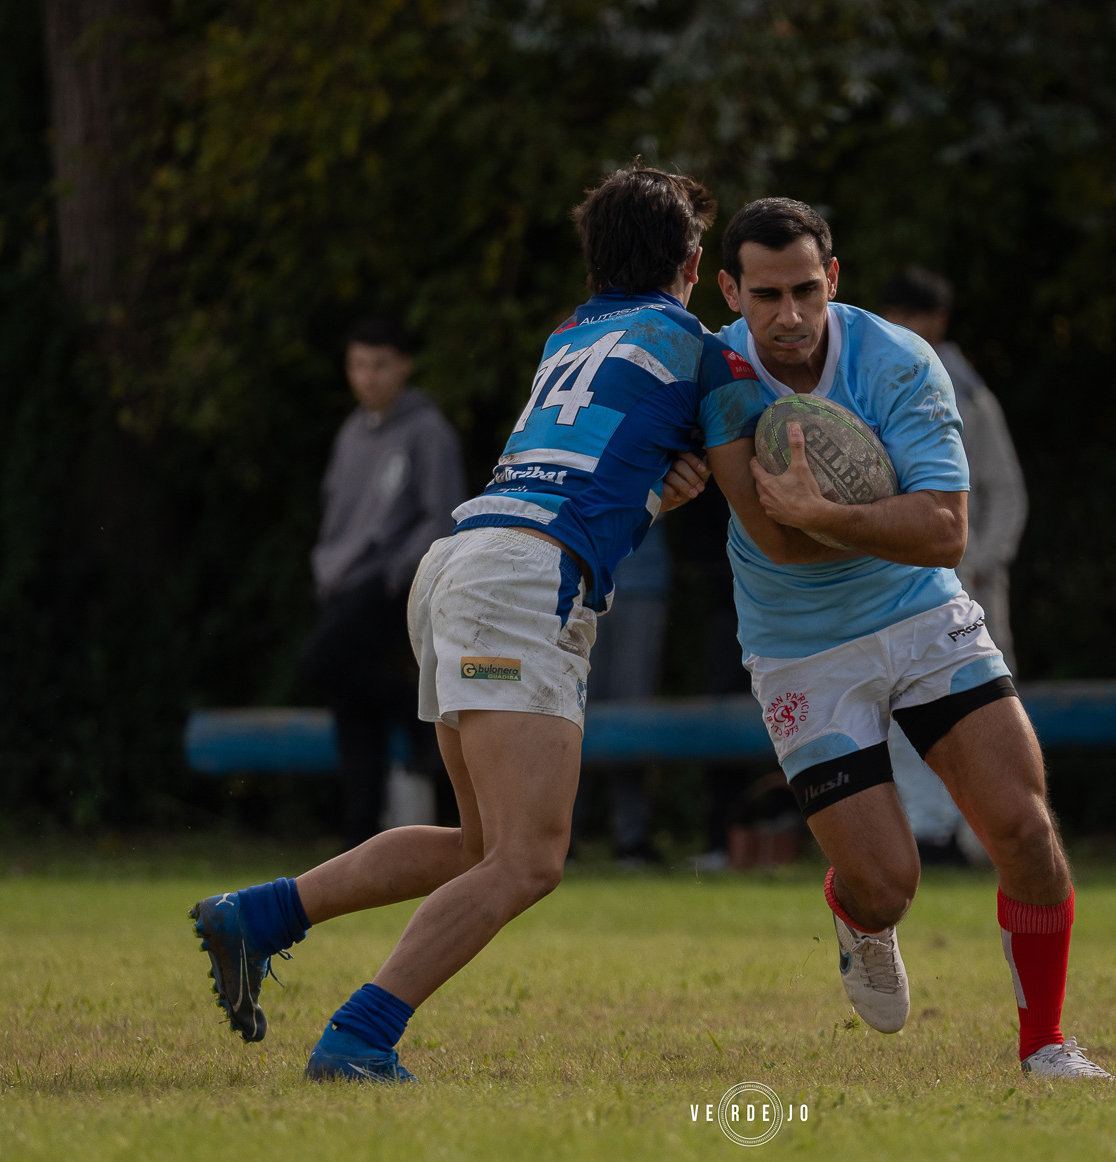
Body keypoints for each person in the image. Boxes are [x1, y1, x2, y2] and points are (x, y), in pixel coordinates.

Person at [188, 164, 757, 1080]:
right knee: (530, 859)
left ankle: (263, 914)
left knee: (482, 846)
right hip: (525, 581)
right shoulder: (702, 350)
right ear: (694, 263)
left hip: (462, 558)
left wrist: (655, 492)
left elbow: (596, 460)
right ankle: (360, 1037)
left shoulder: (570, 331)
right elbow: (753, 480)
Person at [705, 198, 1111, 1081]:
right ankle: (857, 918)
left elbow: (944, 533)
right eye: (766, 295)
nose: (790, 316)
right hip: (801, 647)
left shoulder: (897, 358)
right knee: (888, 885)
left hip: (921, 612)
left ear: (834, 279)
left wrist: (828, 513)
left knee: (1024, 829)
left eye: (807, 290)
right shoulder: (713, 370)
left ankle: (1044, 1044)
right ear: (729, 289)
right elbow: (777, 541)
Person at [879, 268, 1029, 866]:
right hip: (902, 584)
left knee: (983, 712)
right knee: (901, 711)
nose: (900, 330)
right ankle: (928, 836)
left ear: (937, 322)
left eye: (911, 318)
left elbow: (1007, 495)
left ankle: (982, 838)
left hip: (971, 587)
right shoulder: (874, 387)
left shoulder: (967, 393)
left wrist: (974, 562)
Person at [302, 317, 465, 848]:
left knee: (322, 661)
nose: (366, 377)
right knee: (351, 710)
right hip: (343, 582)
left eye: (378, 365)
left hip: (392, 581)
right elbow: (336, 518)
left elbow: (442, 515)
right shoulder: (351, 433)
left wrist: (399, 575)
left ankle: (416, 712)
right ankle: (359, 836)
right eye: (356, 365)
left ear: (404, 366)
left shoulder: (428, 430)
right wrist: (326, 568)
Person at [571, 521, 671, 866]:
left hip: (639, 579)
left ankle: (632, 839)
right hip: (571, 578)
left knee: (632, 715)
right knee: (566, 709)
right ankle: (558, 834)